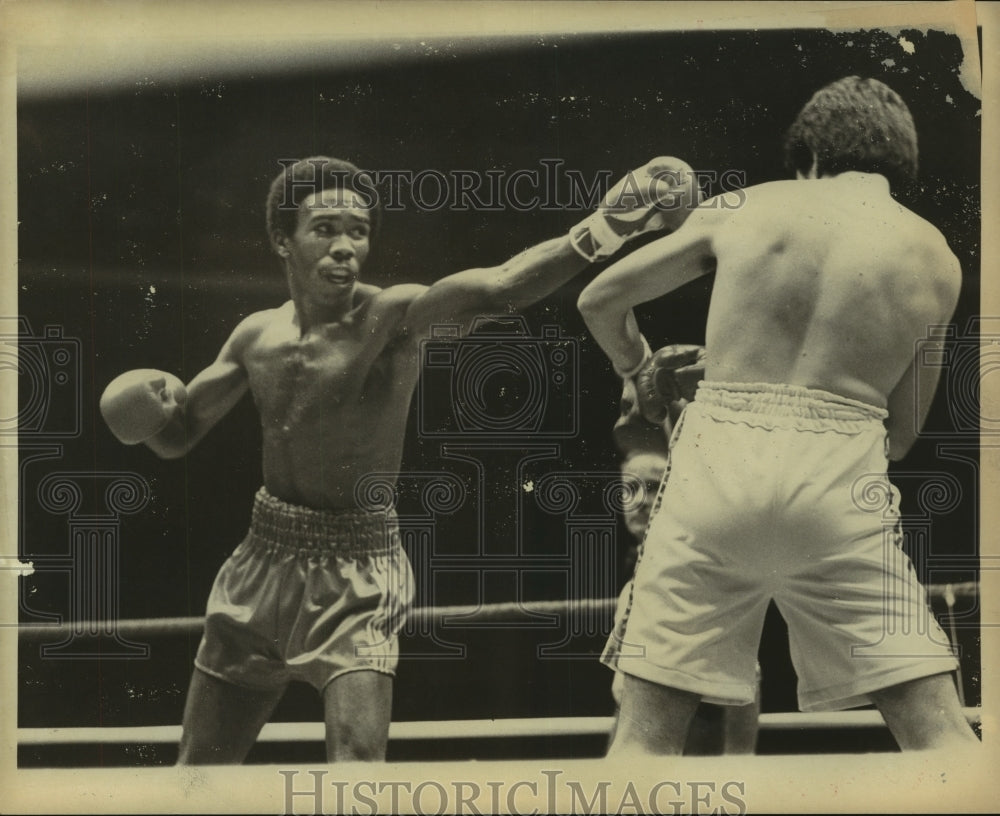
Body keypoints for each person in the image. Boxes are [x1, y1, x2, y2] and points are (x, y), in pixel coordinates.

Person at [98, 154, 699, 764]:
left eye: (358, 231)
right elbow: (177, 437)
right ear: (283, 240)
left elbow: (502, 285)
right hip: (261, 565)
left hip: (358, 571)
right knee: (197, 775)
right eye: (325, 229)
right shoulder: (255, 336)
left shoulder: (391, 318)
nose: (345, 247)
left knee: (359, 771)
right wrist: (139, 411)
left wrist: (609, 225)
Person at [578, 76, 979, 754]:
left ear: (807, 154)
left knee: (643, 742)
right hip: (841, 476)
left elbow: (598, 300)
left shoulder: (746, 205)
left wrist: (638, 366)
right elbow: (903, 437)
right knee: (939, 733)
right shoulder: (936, 256)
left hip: (716, 466)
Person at [611, 347, 760, 755]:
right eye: (630, 490)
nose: (640, 501)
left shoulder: (695, 546)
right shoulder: (636, 576)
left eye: (655, 487)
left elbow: (747, 679)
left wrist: (740, 764)